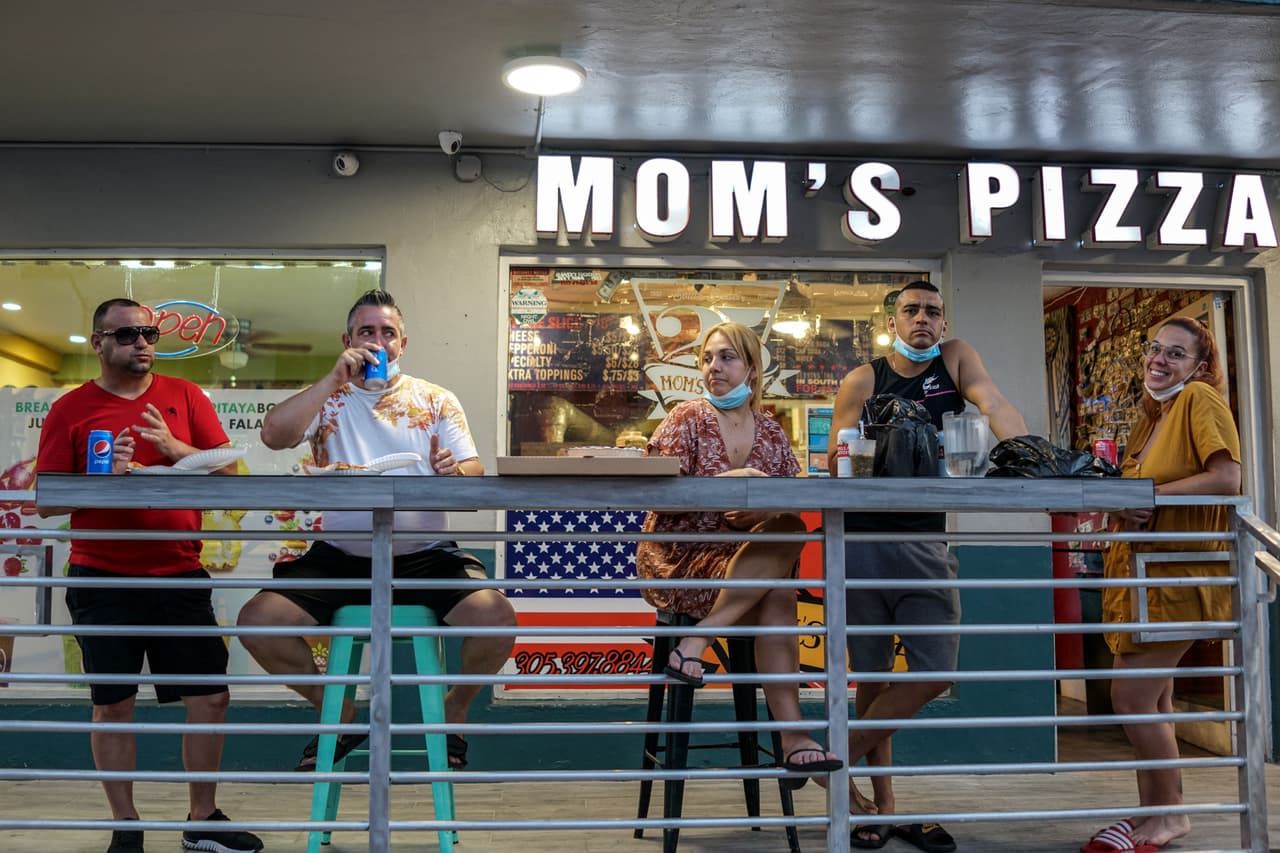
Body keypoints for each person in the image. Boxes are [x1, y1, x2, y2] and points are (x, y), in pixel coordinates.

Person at [238, 289, 515, 772]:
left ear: (402, 343)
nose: (378, 341)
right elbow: (274, 435)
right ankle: (342, 715)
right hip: (339, 556)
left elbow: (473, 474)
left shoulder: (434, 398)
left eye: (388, 332)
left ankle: (455, 709)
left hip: (426, 554)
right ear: (348, 340)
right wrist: (331, 378)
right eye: (367, 331)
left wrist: (454, 471)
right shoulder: (328, 398)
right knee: (257, 624)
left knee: (497, 620)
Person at [35, 298, 262, 853]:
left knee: (210, 697)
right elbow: (45, 501)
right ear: (98, 343)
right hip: (102, 573)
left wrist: (178, 450)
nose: (143, 342)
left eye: (150, 333)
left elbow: (230, 476)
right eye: (128, 334)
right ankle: (127, 825)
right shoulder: (70, 409)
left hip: (179, 571)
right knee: (113, 702)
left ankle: (202, 821)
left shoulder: (185, 397)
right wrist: (100, 477)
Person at [826, 280, 1028, 851]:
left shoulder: (956, 359)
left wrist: (1030, 453)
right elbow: (836, 458)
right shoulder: (863, 379)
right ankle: (879, 808)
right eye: (910, 310)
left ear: (943, 323)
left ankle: (827, 760)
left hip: (924, 542)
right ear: (891, 321)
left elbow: (993, 404)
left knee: (936, 669)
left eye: (932, 312)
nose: (922, 319)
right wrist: (857, 457)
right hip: (861, 543)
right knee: (872, 678)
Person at [637, 321, 843, 784]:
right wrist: (723, 491)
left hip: (744, 560)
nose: (714, 367)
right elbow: (655, 496)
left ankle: (701, 641)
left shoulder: (770, 430)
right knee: (777, 592)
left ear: (752, 367)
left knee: (788, 531)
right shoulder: (685, 418)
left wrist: (761, 503)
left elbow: (794, 502)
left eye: (727, 357)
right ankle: (794, 738)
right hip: (684, 557)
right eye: (707, 358)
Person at [1080, 317, 1240, 853]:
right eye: (1155, 349)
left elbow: (1226, 479)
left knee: (1131, 696)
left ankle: (1170, 815)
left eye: (1176, 352)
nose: (1159, 359)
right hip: (1141, 580)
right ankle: (1151, 813)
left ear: (1200, 366)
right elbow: (1144, 492)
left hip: (1178, 577)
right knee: (1156, 700)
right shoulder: (1153, 415)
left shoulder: (1199, 398)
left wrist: (1148, 496)